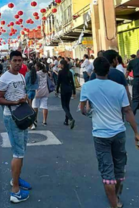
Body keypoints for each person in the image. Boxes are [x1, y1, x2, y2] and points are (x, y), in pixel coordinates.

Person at [80, 57, 139, 208]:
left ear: (94, 71)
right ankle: (116, 196)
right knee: (119, 167)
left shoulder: (87, 87)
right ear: (109, 70)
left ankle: (114, 204)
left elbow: (83, 110)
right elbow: (127, 110)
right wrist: (136, 132)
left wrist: (88, 110)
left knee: (107, 171)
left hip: (100, 135)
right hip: (119, 132)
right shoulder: (119, 88)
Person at [0, 50, 31, 203]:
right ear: (9, 61)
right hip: (12, 118)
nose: (18, 63)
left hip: (23, 116)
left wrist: (25, 100)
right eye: (15, 60)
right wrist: (15, 103)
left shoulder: (21, 76)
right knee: (18, 153)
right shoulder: (4, 78)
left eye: (20, 60)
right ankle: (15, 191)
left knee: (21, 151)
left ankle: (16, 178)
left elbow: (21, 93)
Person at [56, 59, 76, 129]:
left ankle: (70, 118)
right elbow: (73, 83)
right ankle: (66, 120)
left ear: (63, 65)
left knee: (64, 105)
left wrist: (56, 90)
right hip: (69, 90)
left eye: (60, 64)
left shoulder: (60, 72)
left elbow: (58, 82)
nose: (60, 65)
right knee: (67, 105)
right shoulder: (70, 72)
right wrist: (74, 92)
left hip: (63, 90)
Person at [32, 62, 49, 126]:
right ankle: (44, 121)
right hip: (45, 90)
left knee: (35, 106)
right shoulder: (46, 73)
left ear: (38, 67)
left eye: (35, 66)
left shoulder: (36, 74)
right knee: (44, 106)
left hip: (37, 91)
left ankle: (35, 119)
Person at [126, 50, 139, 115]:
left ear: (137, 54)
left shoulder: (132, 62)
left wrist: (125, 78)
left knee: (135, 98)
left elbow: (127, 71)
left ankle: (132, 114)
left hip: (136, 80)